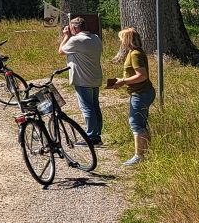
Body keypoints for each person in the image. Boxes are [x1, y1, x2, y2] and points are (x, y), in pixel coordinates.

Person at [106, 27, 155, 166]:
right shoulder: (134, 52)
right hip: (141, 92)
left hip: (141, 93)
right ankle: (145, 152)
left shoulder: (135, 54)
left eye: (121, 39)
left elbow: (142, 76)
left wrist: (124, 81)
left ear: (127, 40)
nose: (120, 41)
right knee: (141, 123)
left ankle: (139, 156)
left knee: (136, 124)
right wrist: (121, 79)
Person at [57, 16, 103, 146]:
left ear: (75, 28)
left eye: (71, 28)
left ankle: (91, 137)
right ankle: (97, 135)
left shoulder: (76, 40)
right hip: (95, 77)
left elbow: (61, 51)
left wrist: (66, 36)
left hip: (83, 79)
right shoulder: (95, 38)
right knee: (95, 107)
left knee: (87, 108)